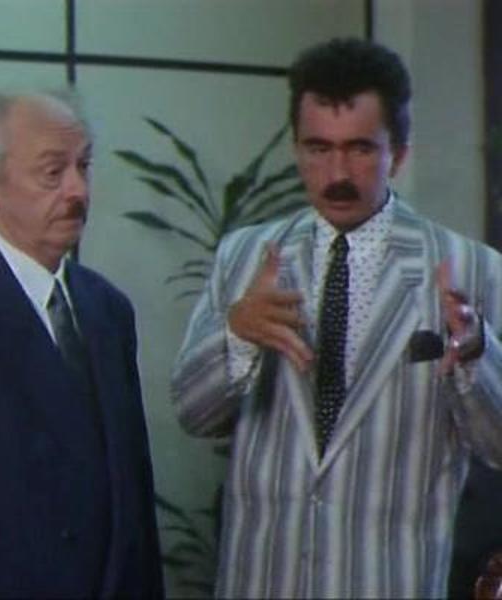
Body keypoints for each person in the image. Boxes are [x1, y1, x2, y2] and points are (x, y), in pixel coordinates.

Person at [171, 37, 502, 599]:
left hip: (388, 581)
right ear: (296, 148)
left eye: (360, 149)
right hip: (262, 580)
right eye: (318, 148)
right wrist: (237, 335)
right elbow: (193, 414)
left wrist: (472, 353)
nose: (336, 173)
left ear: (399, 153)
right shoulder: (244, 257)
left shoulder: (471, 269)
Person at [0, 85, 164, 598]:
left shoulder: (108, 310)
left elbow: (133, 506)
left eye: (83, 166)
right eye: (52, 172)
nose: (78, 190)